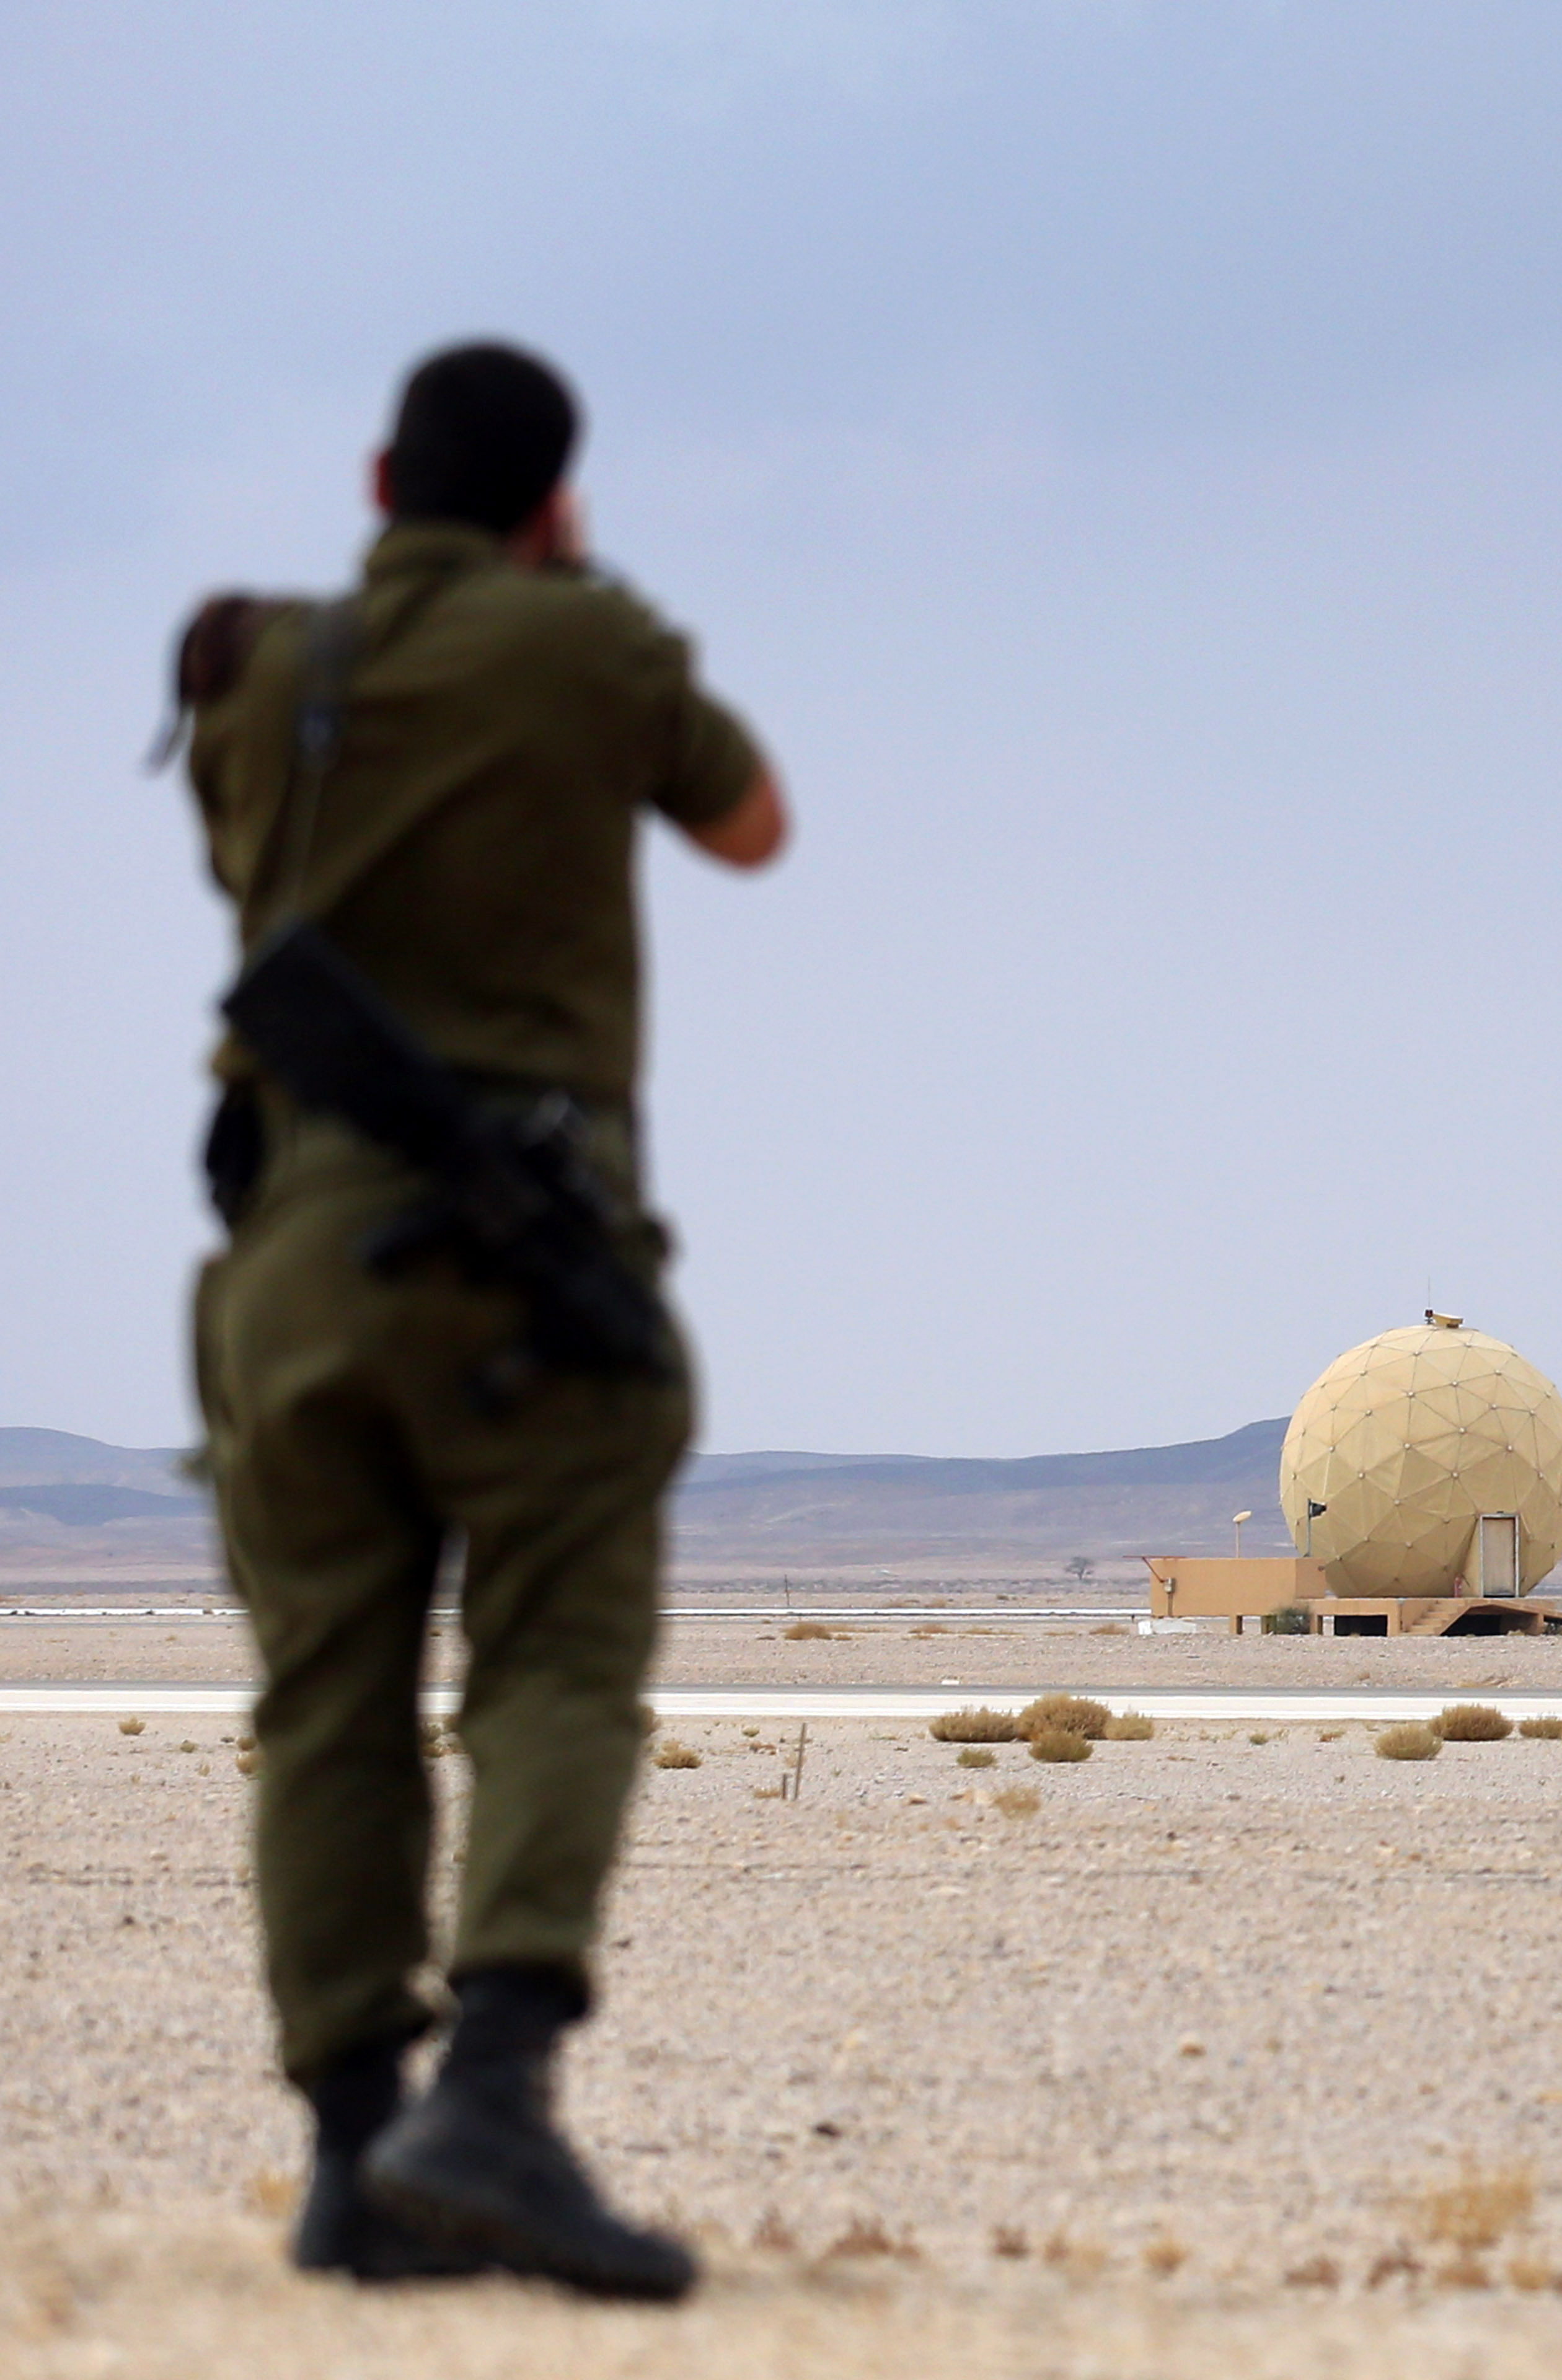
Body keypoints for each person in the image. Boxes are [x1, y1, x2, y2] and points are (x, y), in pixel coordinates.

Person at [174, 341, 787, 2298]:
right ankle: (495, 2100)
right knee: (548, 1662)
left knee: (327, 1698)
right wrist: (567, 598)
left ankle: (356, 2159)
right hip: (519, 1257)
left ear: (375, 479)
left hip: (291, 1262)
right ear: (550, 505)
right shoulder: (584, 647)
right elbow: (754, 822)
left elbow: (245, 871)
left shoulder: (267, 677)